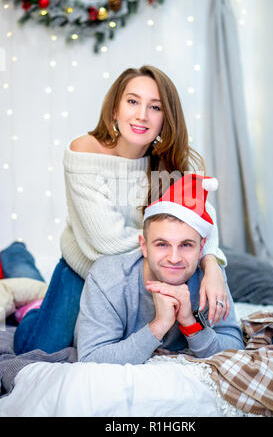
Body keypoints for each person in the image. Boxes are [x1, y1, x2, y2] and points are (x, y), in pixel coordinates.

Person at [14, 65, 229, 355]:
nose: (142, 115)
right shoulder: (85, 151)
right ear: (115, 109)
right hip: (83, 269)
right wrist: (168, 241)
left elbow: (203, 215)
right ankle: (29, 301)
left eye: (155, 107)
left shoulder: (166, 163)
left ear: (166, 119)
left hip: (134, 274)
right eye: (132, 101)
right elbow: (106, 241)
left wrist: (211, 263)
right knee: (39, 351)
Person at [76, 174, 244, 365]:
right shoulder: (108, 278)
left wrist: (191, 324)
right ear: (144, 246)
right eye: (162, 244)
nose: (174, 258)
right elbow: (91, 358)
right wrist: (159, 325)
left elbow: (235, 348)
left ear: (202, 247)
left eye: (186, 245)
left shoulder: (211, 279)